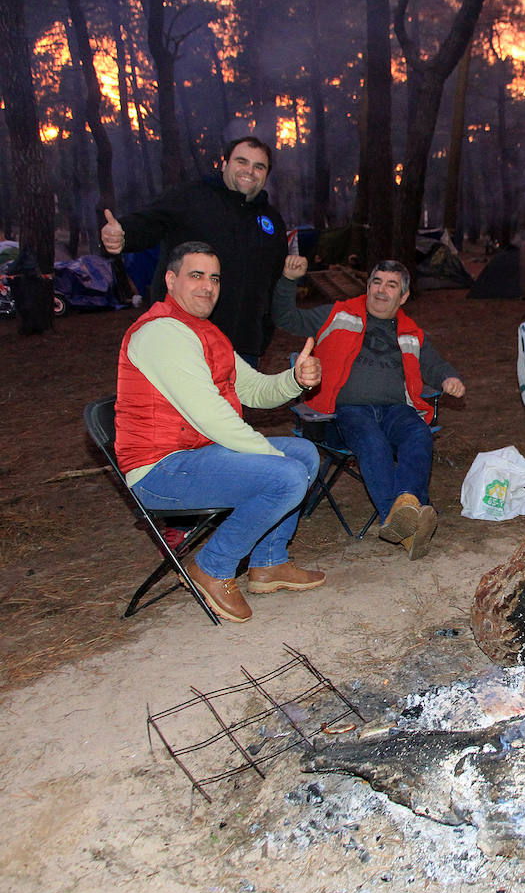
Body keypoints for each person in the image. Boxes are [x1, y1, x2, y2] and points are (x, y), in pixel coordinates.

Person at [115, 241, 325, 624]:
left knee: (304, 455)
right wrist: (270, 457)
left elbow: (255, 390)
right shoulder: (162, 333)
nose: (207, 287)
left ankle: (268, 564)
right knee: (287, 473)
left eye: (214, 278)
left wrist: (295, 379)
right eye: (196, 276)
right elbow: (212, 417)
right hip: (160, 470)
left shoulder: (206, 332)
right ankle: (213, 565)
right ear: (170, 279)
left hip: (196, 456)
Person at [272, 257, 465, 561]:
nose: (381, 291)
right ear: (368, 285)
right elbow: (286, 317)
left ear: (403, 297)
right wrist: (287, 280)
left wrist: (449, 377)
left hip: (396, 409)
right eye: (376, 282)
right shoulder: (337, 314)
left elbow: (432, 363)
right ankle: (401, 520)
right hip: (346, 411)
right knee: (372, 443)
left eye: (391, 286)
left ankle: (404, 512)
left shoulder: (411, 331)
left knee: (418, 435)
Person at [101, 136, 288, 365]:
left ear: (266, 174)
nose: (249, 171)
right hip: (185, 340)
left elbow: (273, 281)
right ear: (224, 164)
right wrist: (123, 234)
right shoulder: (191, 197)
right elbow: (151, 221)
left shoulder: (271, 221)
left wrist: (262, 334)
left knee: (237, 403)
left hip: (243, 348)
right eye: (242, 161)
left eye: (259, 166)